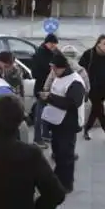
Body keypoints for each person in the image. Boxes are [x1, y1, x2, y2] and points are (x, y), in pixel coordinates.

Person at [39, 52, 86, 191]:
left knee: (66, 155)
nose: (53, 71)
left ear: (63, 67)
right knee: (58, 153)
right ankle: (58, 178)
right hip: (57, 122)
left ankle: (66, 184)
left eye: (55, 68)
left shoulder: (75, 81)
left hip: (68, 124)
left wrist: (49, 98)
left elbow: (72, 103)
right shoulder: (59, 77)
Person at [79, 34, 105, 144]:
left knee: (96, 109)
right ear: (98, 43)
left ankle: (86, 129)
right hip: (92, 87)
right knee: (99, 108)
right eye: (104, 43)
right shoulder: (89, 54)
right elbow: (80, 68)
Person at [30, 33, 59, 148]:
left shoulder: (53, 52)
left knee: (48, 113)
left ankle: (46, 134)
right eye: (52, 44)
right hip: (41, 88)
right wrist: (50, 71)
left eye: (55, 45)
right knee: (39, 114)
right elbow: (35, 73)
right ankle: (37, 138)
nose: (54, 46)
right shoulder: (39, 54)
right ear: (47, 43)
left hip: (51, 88)